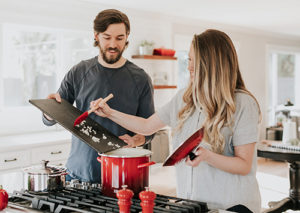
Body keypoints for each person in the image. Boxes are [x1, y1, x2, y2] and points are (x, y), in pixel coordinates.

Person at [92, 29, 261, 212]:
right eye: (188, 60)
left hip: (232, 206)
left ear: (213, 65)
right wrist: (109, 112)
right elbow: (147, 126)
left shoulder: (243, 103)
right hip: (193, 204)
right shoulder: (185, 98)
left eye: (195, 62)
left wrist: (208, 156)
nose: (189, 67)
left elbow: (244, 165)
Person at [43, 9, 155, 183]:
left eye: (119, 38)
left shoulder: (140, 78)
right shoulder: (78, 71)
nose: (113, 44)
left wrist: (135, 140)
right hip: (77, 174)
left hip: (121, 175)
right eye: (107, 37)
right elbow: (53, 116)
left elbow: (150, 130)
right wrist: (48, 111)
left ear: (127, 37)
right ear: (96, 36)